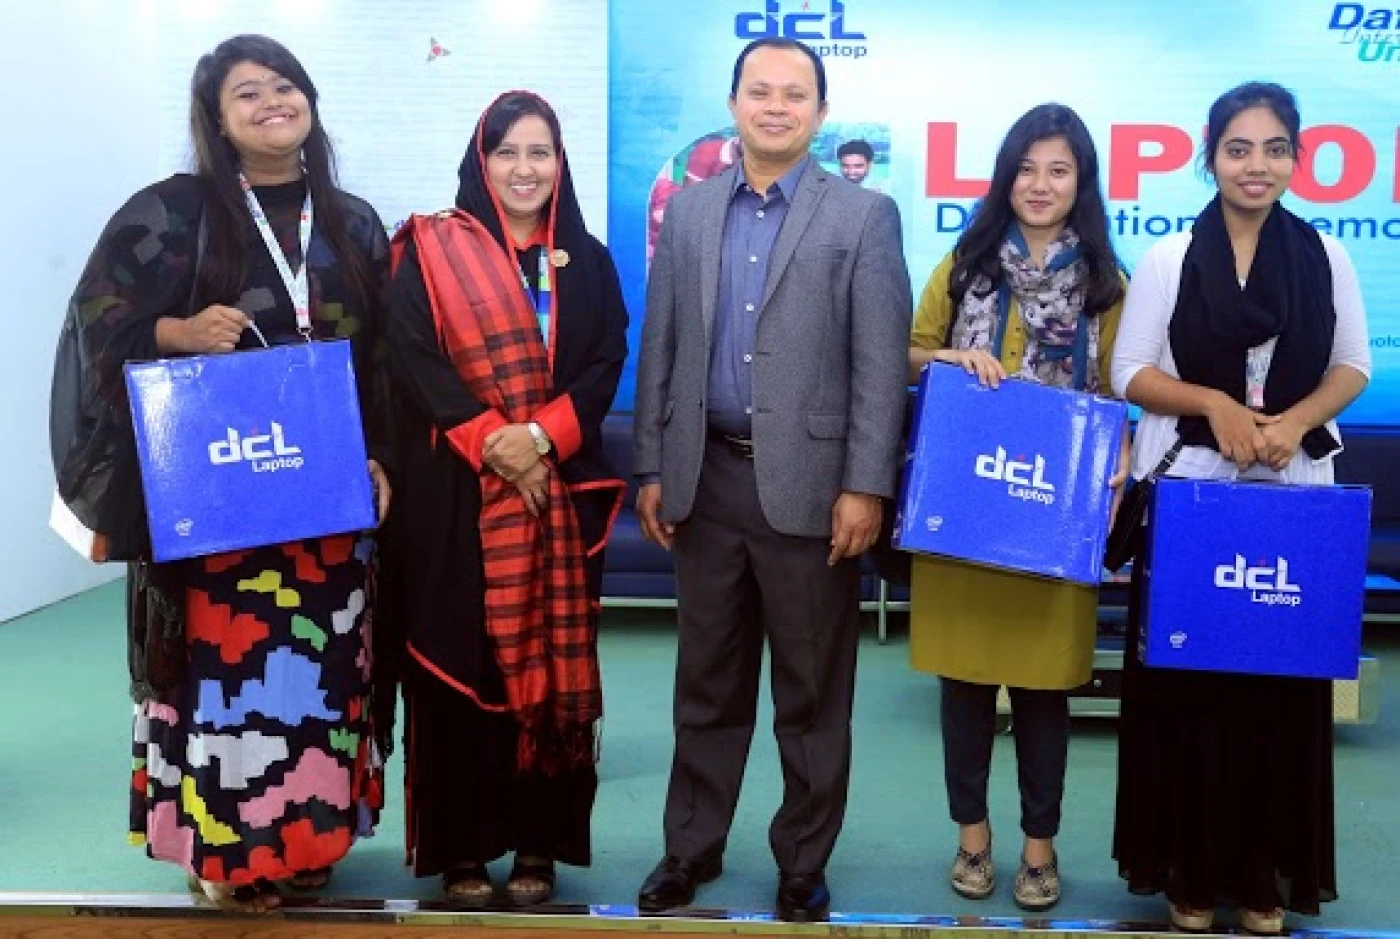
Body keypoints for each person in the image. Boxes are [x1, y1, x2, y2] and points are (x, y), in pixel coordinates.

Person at [49, 34, 392, 912]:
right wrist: (178, 332)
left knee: (324, 675)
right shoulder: (171, 214)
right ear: (217, 118)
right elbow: (96, 324)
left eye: (284, 85)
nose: (272, 101)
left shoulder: (353, 222)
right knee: (225, 681)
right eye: (248, 92)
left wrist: (382, 457)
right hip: (218, 512)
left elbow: (385, 362)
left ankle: (306, 841)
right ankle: (223, 853)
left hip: (327, 508)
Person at [632, 38, 911, 923]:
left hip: (814, 490)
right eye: (761, 92)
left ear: (821, 114)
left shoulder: (864, 217)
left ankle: (802, 861)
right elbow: (661, 345)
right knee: (705, 685)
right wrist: (652, 462)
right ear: (734, 104)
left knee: (812, 692)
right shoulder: (688, 212)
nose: (777, 107)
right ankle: (691, 847)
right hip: (704, 477)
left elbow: (879, 365)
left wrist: (866, 484)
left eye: (796, 94)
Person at [1110, 82, 1370, 935]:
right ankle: (1188, 870)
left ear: (1296, 158)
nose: (1256, 165)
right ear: (1210, 155)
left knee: (1275, 692)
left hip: (1293, 501)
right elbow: (1129, 371)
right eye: (1238, 148)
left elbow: (1353, 364)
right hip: (1193, 497)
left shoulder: (1326, 255)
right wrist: (1214, 403)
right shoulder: (1170, 257)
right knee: (1192, 693)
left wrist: (1294, 421)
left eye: (1274, 148)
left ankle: (1263, 874)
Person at [376, 90, 627, 908]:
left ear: (560, 164)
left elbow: (606, 359)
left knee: (548, 669)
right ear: (480, 162)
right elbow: (411, 356)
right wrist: (492, 439)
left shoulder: (587, 261)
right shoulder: (428, 252)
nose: (525, 169)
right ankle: (462, 847)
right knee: (456, 667)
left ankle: (536, 845)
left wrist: (542, 437)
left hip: (554, 498)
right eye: (507, 151)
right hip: (453, 499)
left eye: (540, 152)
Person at [906, 103, 1128, 911]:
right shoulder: (964, 262)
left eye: (1058, 170)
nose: (1040, 184)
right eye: (1027, 168)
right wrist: (950, 356)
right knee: (963, 686)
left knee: (1043, 690)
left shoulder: (1107, 281)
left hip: (1054, 510)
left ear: (1081, 182)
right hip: (965, 500)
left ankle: (1040, 847)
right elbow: (908, 351)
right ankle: (972, 837)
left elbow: (1124, 387)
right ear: (1005, 177)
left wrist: (1121, 459)